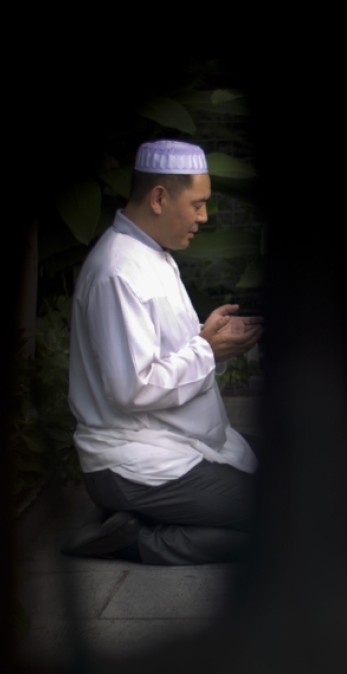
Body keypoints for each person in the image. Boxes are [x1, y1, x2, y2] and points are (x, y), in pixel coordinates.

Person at [63, 140, 262, 565]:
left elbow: (166, 352)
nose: (204, 217)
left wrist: (211, 338)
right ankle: (136, 540)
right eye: (198, 205)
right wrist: (207, 350)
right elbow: (133, 389)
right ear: (158, 198)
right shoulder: (118, 270)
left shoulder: (152, 253)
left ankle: (145, 514)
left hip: (170, 442)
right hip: (131, 459)